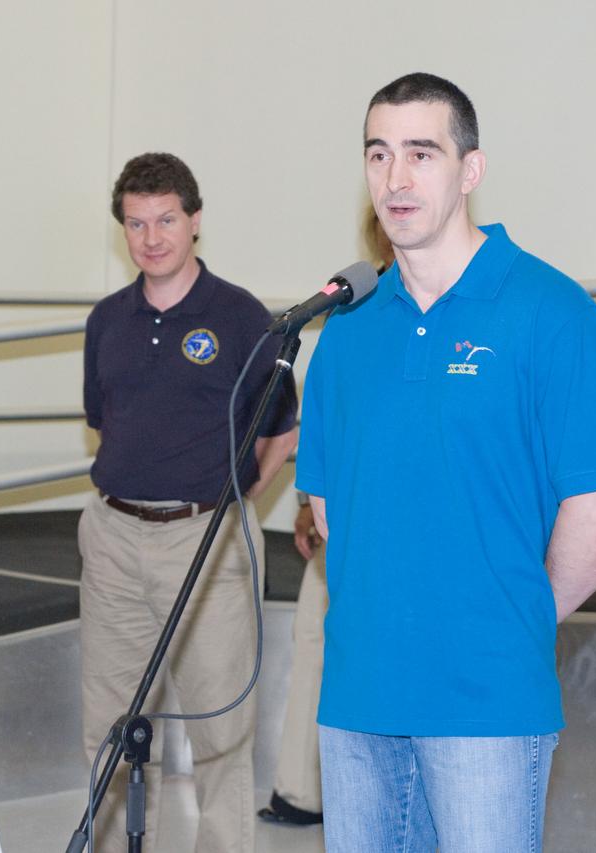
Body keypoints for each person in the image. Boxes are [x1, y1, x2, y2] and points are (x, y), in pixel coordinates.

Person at [295, 72, 596, 852]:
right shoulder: (346, 329)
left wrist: (512, 619)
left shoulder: (552, 312)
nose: (396, 177)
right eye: (378, 154)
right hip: (357, 696)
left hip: (487, 704)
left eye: (422, 153)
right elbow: (329, 508)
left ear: (470, 170)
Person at [79, 152, 298, 853]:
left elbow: (283, 425)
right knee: (107, 725)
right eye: (136, 224)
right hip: (114, 537)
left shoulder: (240, 316)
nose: (152, 238)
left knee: (219, 730)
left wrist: (239, 491)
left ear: (195, 220)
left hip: (208, 539)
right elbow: (103, 419)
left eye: (166, 220)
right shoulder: (107, 319)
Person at [259, 207, 396, 829]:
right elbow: (325, 423)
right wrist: (305, 505)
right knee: (313, 641)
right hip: (340, 521)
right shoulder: (350, 312)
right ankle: (300, 791)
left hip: (405, 532)